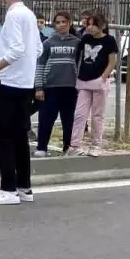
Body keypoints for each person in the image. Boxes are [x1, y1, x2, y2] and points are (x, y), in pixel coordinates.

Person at [0, 0, 42, 206]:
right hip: (25, 84)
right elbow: (37, 49)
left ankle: (8, 189)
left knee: (1, 136)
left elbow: (17, 49)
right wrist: (26, 69)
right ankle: (24, 188)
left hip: (9, 84)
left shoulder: (13, 15)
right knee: (19, 137)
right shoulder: (29, 14)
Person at [34, 11, 82, 157]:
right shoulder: (48, 43)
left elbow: (81, 66)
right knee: (46, 119)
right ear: (54, 25)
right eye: (58, 22)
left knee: (69, 120)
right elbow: (40, 66)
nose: (61, 25)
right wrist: (39, 87)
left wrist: (80, 86)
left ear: (70, 23)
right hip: (50, 88)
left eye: (64, 22)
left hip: (70, 88)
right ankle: (42, 147)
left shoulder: (77, 43)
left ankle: (68, 147)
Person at [71, 10, 119, 156]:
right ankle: (74, 145)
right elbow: (78, 56)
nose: (90, 27)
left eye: (93, 25)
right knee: (80, 114)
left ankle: (96, 145)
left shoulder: (109, 40)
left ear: (102, 25)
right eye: (88, 24)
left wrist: (103, 77)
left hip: (99, 81)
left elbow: (112, 61)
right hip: (84, 81)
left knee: (97, 115)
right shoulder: (86, 39)